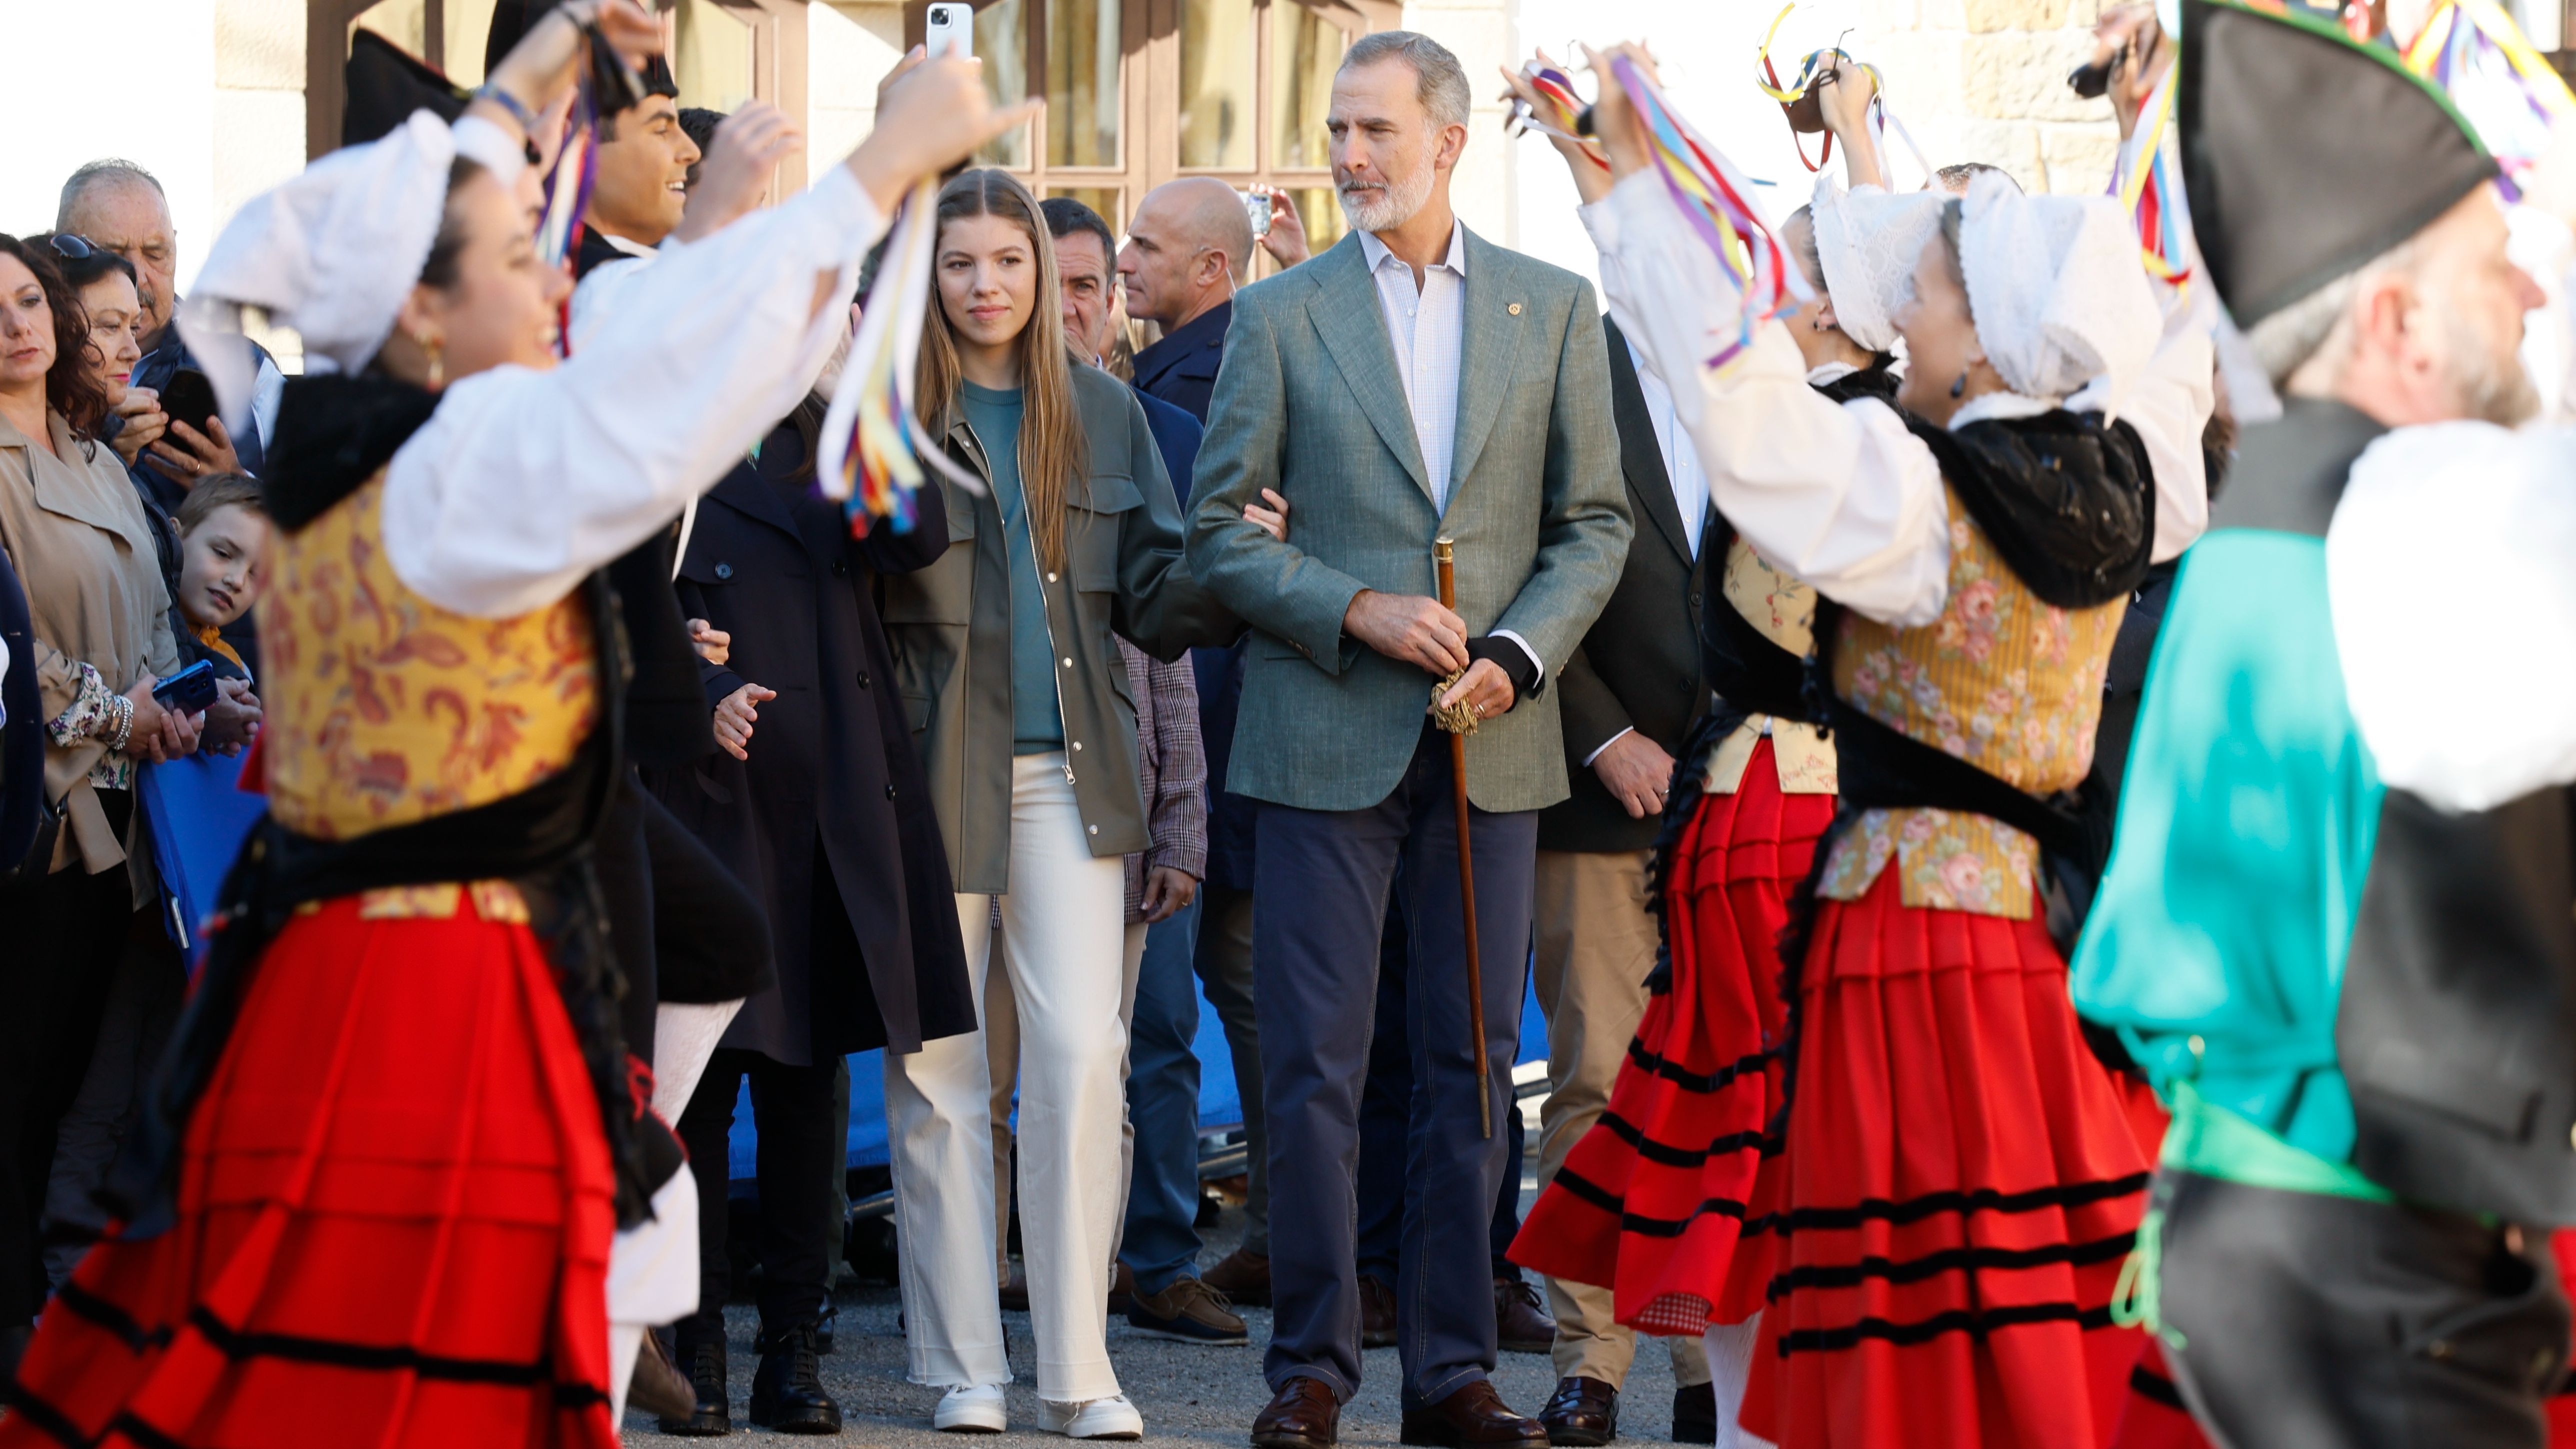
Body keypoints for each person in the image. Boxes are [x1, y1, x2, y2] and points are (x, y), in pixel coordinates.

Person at [0, 7, 1028, 1443]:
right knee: (417, 1369)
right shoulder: (470, 462)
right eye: (515, 256)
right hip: (430, 994)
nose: (549, 274)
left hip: (336, 970)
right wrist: (882, 164)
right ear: (426, 306)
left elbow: (526, 270)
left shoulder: (357, 422)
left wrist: (542, 66)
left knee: (310, 1347)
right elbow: (650, 404)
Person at [1576, 40, 2212, 1449]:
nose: (1904, 320)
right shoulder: (2142, 474)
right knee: (2030, 1289)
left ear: (1987, 334)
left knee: (1886, 1301)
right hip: (2042, 938)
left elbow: (1739, 422)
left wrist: (1636, 200)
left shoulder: (1920, 501)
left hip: (1908, 936)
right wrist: (2160, 119)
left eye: (1924, 294)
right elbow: (2167, 319)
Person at [2070, 2, 2576, 1444]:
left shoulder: (2312, 504)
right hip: (2362, 1268)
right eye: (2500, 270)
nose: (2534, 301)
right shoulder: (2407, 512)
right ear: (2396, 318)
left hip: (2307, 1246)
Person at [1184, 28, 1630, 1449]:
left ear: (1448, 141)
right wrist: (1352, 605)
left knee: (1471, 1066)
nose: (1349, 157)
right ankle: (1310, 1366)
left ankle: (1451, 1371)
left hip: (1494, 745)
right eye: (1337, 130)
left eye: (1375, 130)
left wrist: (1517, 651)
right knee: (1314, 1068)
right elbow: (1211, 538)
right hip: (1321, 738)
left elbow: (1595, 526)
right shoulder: (1280, 315)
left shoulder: (1553, 308)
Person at [876, 166, 1236, 1442]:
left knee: (1083, 1061)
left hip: (1074, 780)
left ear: (1042, 273)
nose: (987, 286)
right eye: (960, 263)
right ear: (928, 277)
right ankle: (966, 1366)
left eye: (1008, 262)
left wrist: (1229, 558)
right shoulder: (885, 417)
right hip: (921, 783)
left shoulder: (1103, 411)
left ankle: (1080, 1369)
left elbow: (1157, 603)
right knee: (941, 1077)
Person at [650, 372, 974, 1437]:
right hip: (697, 791)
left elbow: (915, 537)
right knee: (693, 1085)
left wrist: (857, 398)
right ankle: (688, 1346)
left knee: (807, 1084)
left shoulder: (831, 428)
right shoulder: (659, 420)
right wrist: (693, 692)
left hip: (832, 788)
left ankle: (793, 1346)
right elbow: (615, 601)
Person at [1036, 193, 1244, 1348]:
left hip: (1139, 786)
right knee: (1006, 1052)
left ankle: (1159, 1258)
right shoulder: (960, 427)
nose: (1072, 306)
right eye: (1053, 282)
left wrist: (1182, 814)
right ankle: (1041, 1256)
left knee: (1153, 1033)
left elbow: (1178, 650)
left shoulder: (1161, 433)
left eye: (1088, 285)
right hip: (1011, 792)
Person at [0, 231, 202, 1383]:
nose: (27, 327)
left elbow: (155, 617)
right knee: (15, 1100)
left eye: (34, 302)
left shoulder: (96, 462)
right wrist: (115, 713)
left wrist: (188, 706)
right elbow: (7, 661)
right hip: (27, 824)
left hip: (118, 839)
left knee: (68, 1103)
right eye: (98, 319)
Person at [1118, 174, 1280, 1306]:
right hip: (1214, 757)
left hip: (1211, 754)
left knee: (1235, 1005)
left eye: (1144, 245)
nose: (1128, 263)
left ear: (1213, 269)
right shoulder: (1193, 367)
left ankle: (1272, 1232)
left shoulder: (1214, 383)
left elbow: (1209, 598)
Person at [57, 162, 280, 511]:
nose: (139, 277)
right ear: (66, 257)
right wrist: (96, 450)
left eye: (155, 253)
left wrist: (236, 487)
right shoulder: (28, 369)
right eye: (113, 256)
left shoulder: (250, 371)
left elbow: (325, 518)